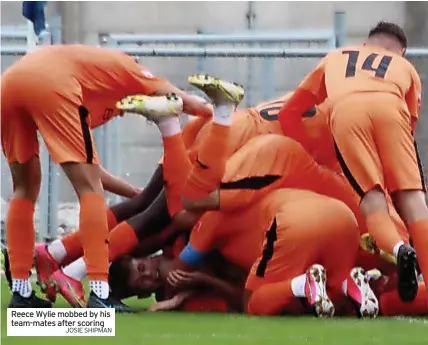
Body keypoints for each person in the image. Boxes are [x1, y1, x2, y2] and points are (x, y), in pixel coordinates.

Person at [1, 44, 212, 309]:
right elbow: (181, 100)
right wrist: (222, 113)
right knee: (90, 194)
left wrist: (135, 194)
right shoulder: (131, 68)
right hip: (51, 84)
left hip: (10, 83)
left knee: (24, 189)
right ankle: (100, 294)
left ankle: (21, 294)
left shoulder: (92, 78)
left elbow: (91, 170)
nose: (127, 111)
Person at [276, 21, 425, 303]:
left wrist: (314, 158)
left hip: (346, 114)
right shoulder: (405, 68)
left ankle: (398, 249)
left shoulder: (336, 57)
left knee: (372, 200)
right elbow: (409, 130)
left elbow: (288, 112)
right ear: (400, 51)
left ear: (367, 44)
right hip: (392, 109)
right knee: (414, 200)